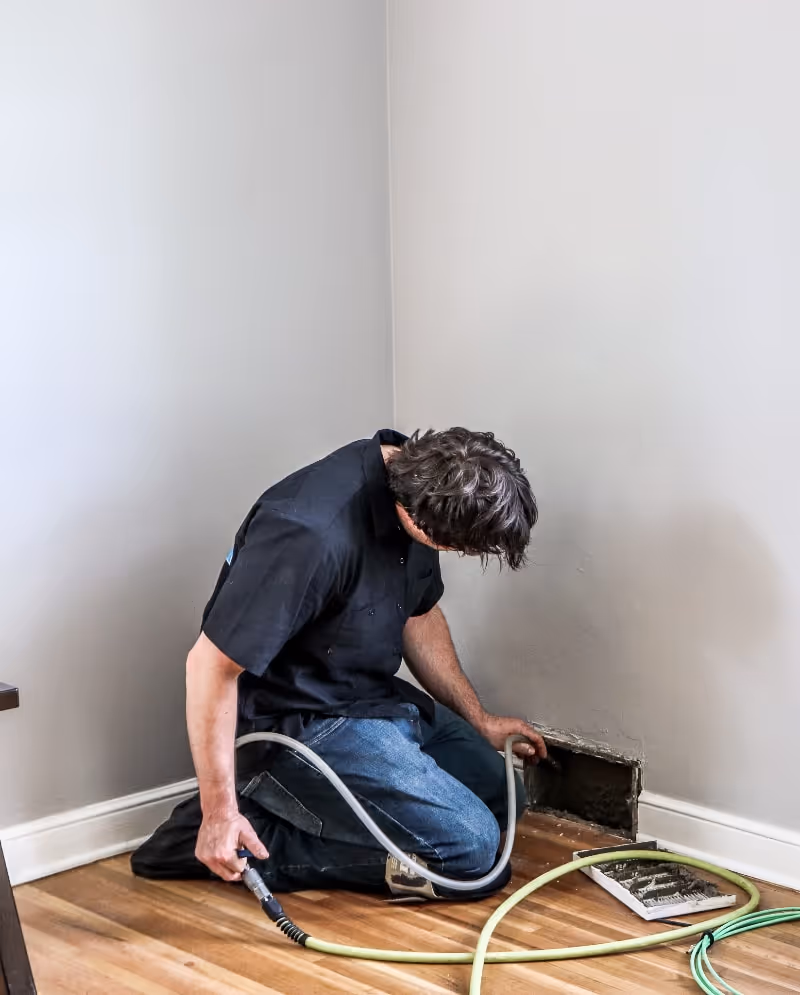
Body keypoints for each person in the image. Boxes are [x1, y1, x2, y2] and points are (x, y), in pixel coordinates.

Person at [132, 428, 546, 900]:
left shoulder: (424, 480)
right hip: (293, 722)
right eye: (461, 548)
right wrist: (218, 811)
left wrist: (480, 720)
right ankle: (227, 839)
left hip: (368, 698)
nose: (459, 555)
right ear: (423, 521)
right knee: (471, 859)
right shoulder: (307, 531)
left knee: (503, 801)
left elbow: (420, 614)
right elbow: (210, 666)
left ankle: (287, 810)